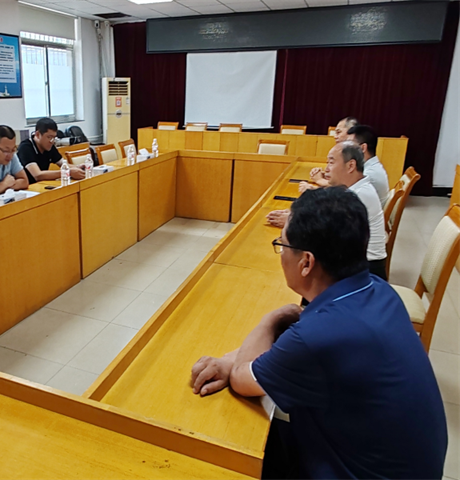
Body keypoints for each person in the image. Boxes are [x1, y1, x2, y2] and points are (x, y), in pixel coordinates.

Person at [191, 187, 447, 480]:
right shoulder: (379, 290)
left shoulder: (318, 337)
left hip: (355, 471)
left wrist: (270, 320)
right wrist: (230, 359)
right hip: (392, 463)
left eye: (282, 244)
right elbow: (297, 346)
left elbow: (241, 379)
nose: (281, 253)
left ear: (306, 262)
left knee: (223, 447)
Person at [325, 141, 387, 279]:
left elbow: (327, 229)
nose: (326, 169)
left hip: (367, 271)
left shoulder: (360, 194)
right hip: (357, 262)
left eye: (331, 162)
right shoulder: (355, 188)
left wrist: (294, 220)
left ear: (351, 166)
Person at [17, 117, 85, 184]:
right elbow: (37, 175)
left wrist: (78, 168)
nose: (52, 141)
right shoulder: (25, 147)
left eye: (54, 137)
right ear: (37, 134)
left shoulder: (49, 146)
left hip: (41, 185)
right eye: (49, 137)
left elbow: (64, 164)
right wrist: (67, 172)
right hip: (26, 187)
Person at [306, 116, 358, 189]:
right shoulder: (345, 151)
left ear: (352, 133)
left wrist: (320, 180)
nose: (335, 136)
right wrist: (326, 175)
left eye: (338, 132)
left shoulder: (358, 154)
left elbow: (348, 187)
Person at [347, 124, 390, 206]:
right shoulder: (372, 165)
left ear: (363, 148)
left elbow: (346, 195)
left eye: (350, 144)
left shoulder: (369, 173)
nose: (346, 149)